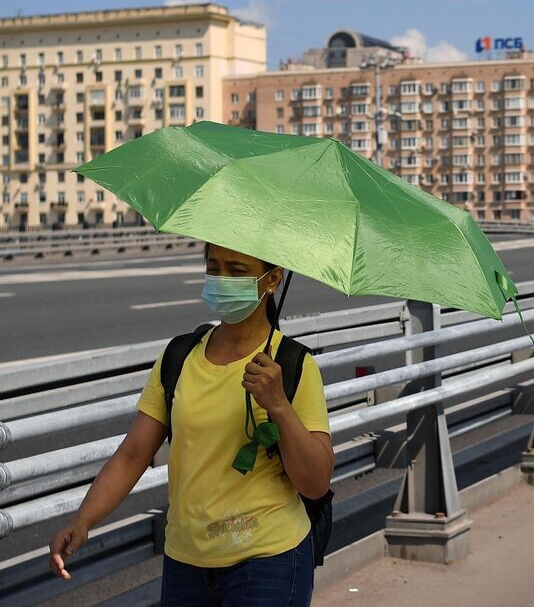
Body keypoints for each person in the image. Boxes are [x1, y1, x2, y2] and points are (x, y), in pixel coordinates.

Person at [49, 244, 333, 605]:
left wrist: (278, 404)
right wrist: (82, 521)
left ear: (272, 280)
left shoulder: (292, 365)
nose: (222, 280)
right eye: (214, 267)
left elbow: (316, 482)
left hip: (268, 562)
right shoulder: (179, 356)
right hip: (185, 564)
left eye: (236, 270)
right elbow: (132, 455)